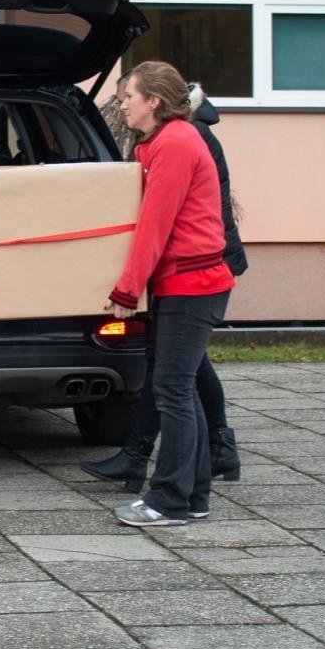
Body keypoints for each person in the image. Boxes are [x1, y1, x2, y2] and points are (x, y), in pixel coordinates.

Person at [84, 81, 247, 490]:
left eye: (127, 99)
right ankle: (190, 486)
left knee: (175, 387)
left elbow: (155, 225)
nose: (120, 107)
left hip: (193, 278)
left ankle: (174, 493)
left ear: (154, 101)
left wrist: (126, 290)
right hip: (178, 277)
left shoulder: (175, 144)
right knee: (178, 381)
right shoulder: (160, 142)